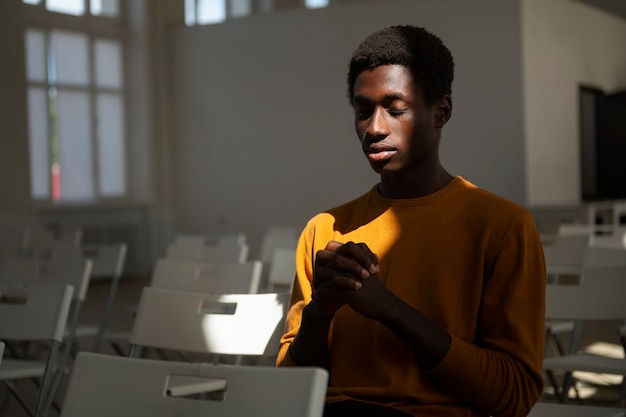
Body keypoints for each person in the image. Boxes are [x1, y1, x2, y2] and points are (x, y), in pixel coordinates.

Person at [276, 25, 546, 417]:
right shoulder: (325, 229)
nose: (374, 128)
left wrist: (388, 309)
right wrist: (320, 312)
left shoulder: (502, 227)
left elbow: (514, 395)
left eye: (395, 108)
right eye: (362, 111)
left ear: (442, 112)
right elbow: (290, 389)